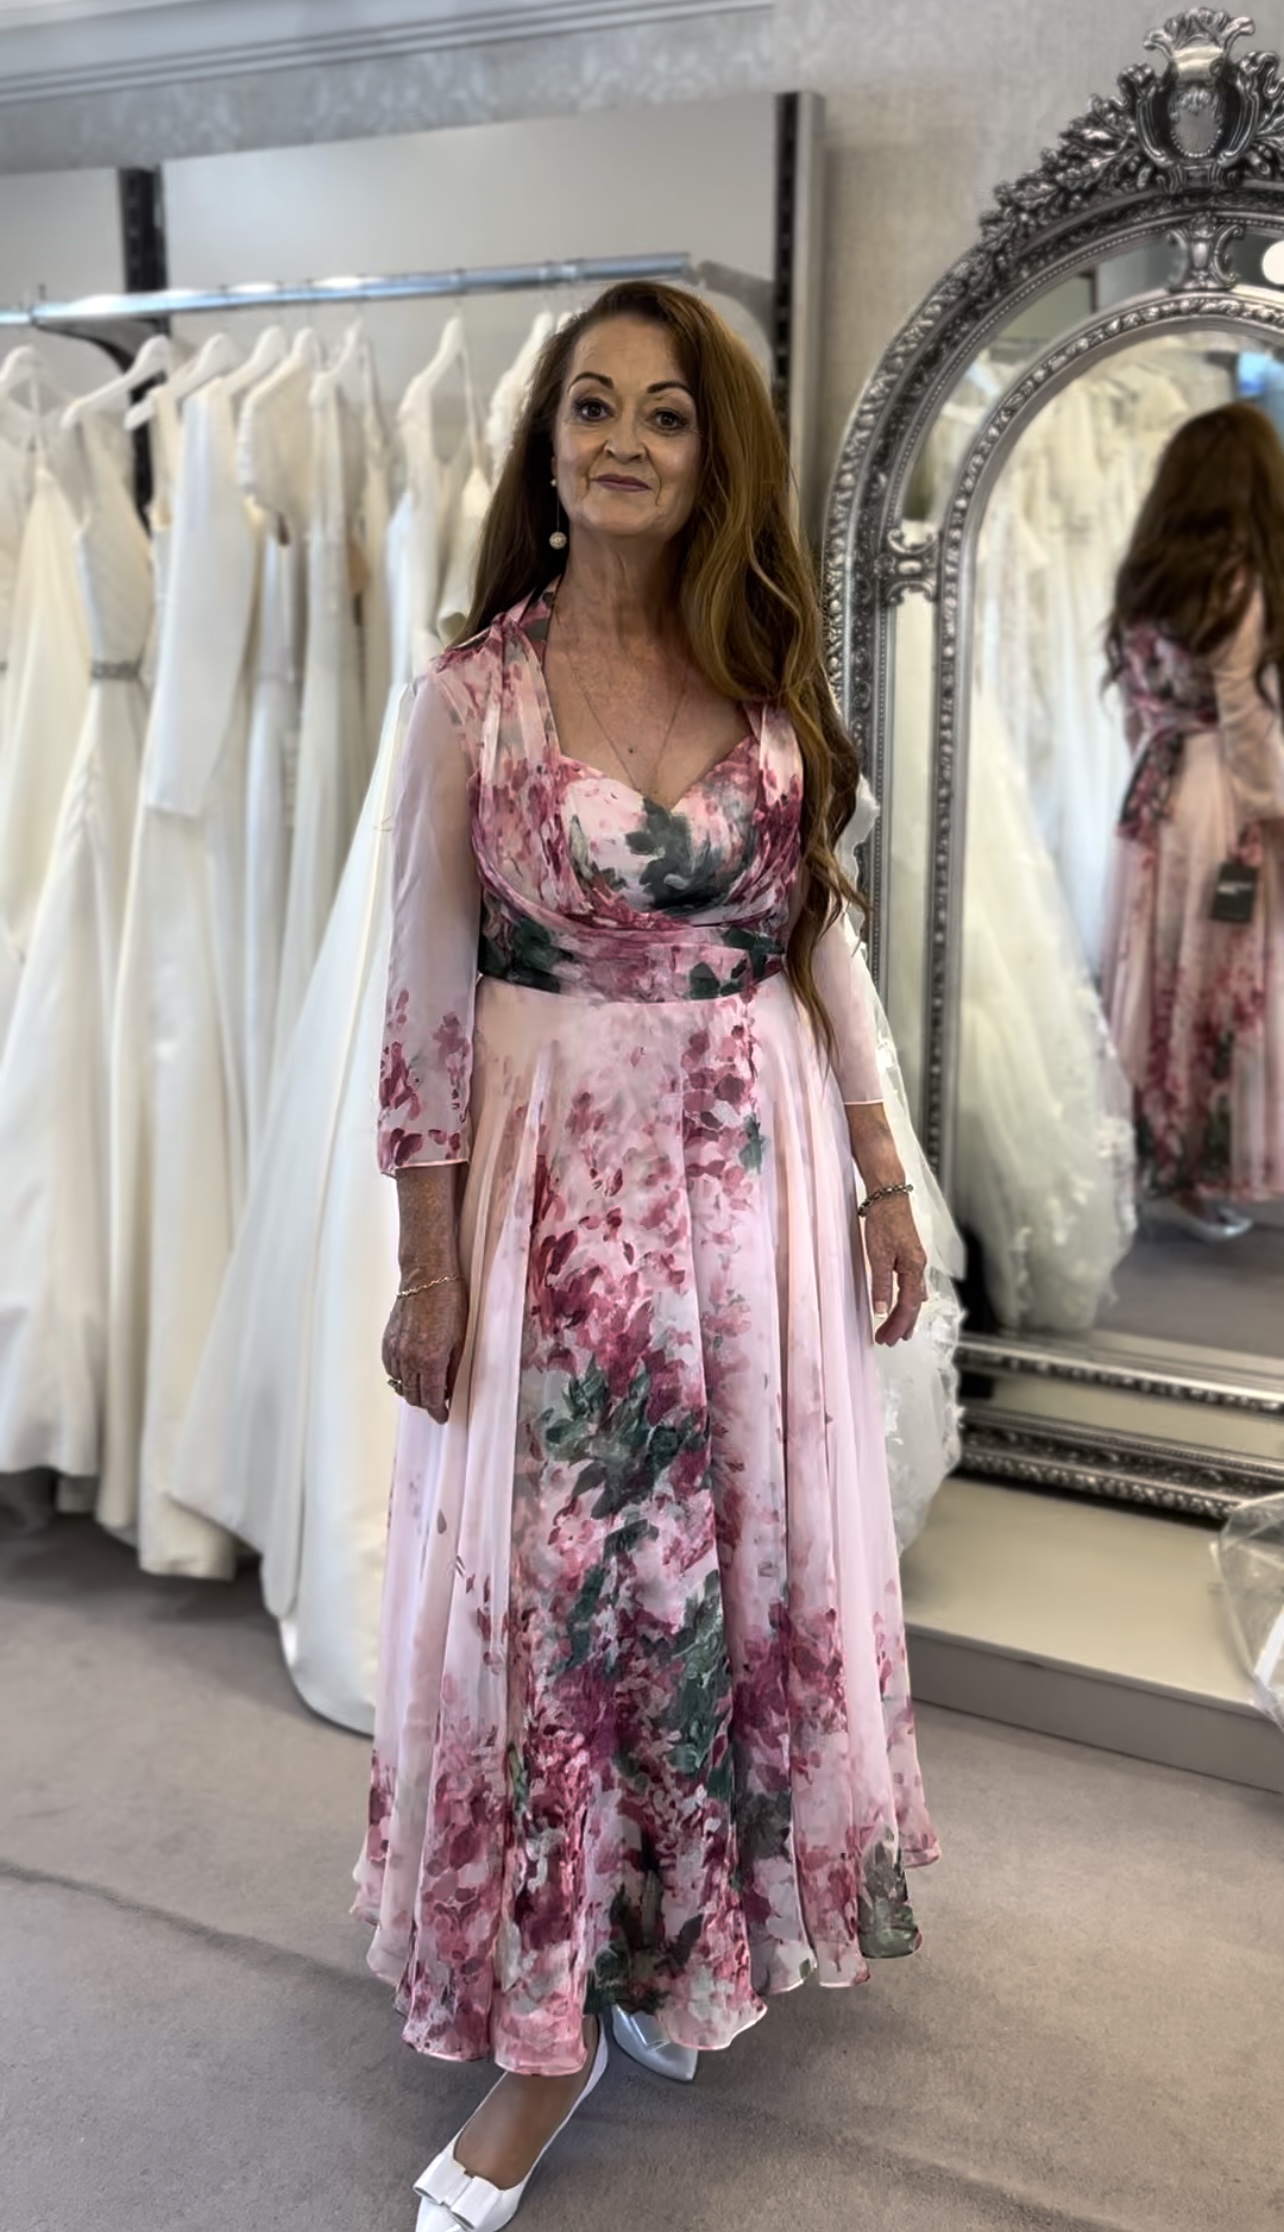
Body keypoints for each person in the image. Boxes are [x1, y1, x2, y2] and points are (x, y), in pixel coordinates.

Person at [354, 280, 938, 2232]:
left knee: (724, 1581)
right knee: (566, 1602)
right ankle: (546, 2029)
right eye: (590, 406)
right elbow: (424, 1003)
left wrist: (879, 1165)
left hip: (750, 1198)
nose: (621, 439)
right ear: (546, 446)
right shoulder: (475, 698)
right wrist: (426, 1259)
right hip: (561, 1208)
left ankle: (669, 1940)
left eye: (665, 414)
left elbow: (813, 933)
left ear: (712, 458)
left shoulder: (759, 676)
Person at [1103, 401, 1284, 1242]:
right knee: (1221, 972)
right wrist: (1275, 809)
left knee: (1156, 967)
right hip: (1217, 789)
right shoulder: (1237, 581)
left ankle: (1159, 1153)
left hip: (1153, 785)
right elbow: (1243, 713)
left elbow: (1137, 708)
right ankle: (1203, 1164)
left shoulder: (1146, 576)